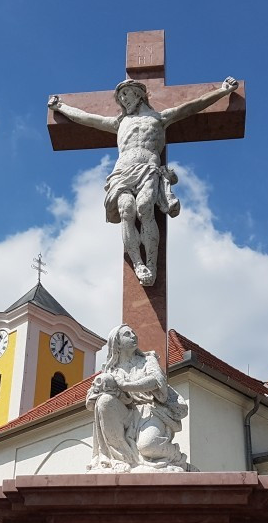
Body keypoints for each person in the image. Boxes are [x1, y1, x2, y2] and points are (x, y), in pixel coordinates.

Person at [49, 77, 238, 286]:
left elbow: (193, 106)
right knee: (126, 209)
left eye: (126, 94)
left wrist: (223, 91)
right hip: (122, 171)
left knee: (145, 207)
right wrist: (61, 107)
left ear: (139, 94)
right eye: (120, 97)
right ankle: (138, 264)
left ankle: (151, 264)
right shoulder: (119, 123)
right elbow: (87, 118)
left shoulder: (160, 118)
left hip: (148, 168)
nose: (123, 99)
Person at [85, 325, 191, 472]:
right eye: (127, 334)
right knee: (104, 401)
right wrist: (99, 390)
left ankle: (176, 457)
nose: (133, 336)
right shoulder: (110, 370)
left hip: (150, 410)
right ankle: (121, 459)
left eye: (133, 333)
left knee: (148, 446)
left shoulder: (147, 360)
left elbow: (156, 381)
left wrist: (126, 385)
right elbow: (90, 403)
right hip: (126, 413)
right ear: (117, 343)